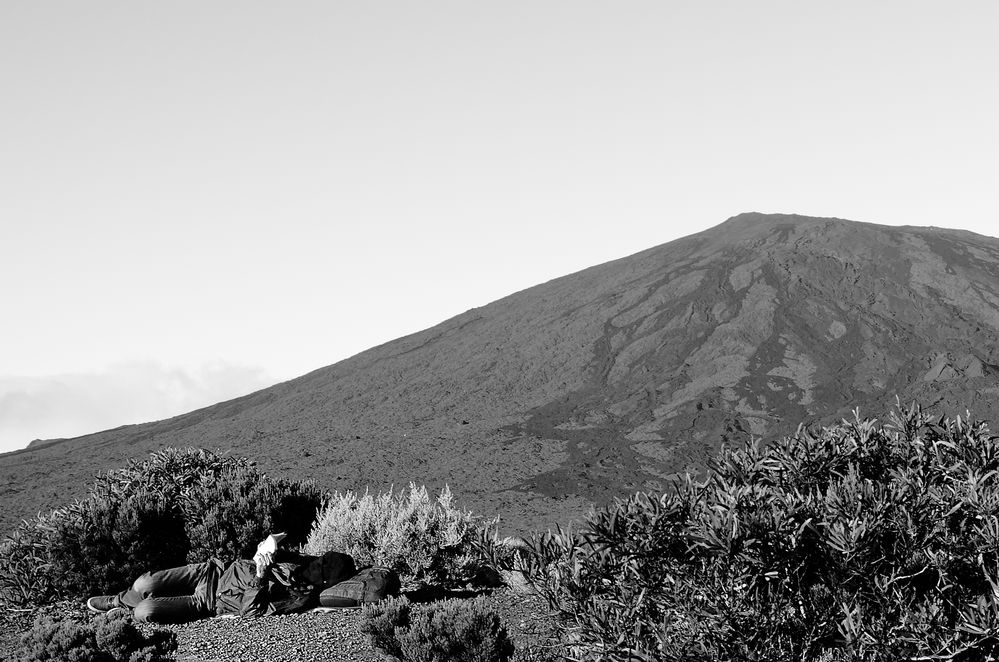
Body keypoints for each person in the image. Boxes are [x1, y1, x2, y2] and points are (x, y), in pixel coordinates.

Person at [85, 538, 355, 624]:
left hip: (211, 602)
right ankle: (117, 599)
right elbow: (260, 551)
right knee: (145, 583)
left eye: (322, 567)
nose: (316, 564)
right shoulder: (299, 562)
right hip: (213, 571)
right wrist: (269, 546)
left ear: (323, 580)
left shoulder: (299, 595)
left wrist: (261, 578)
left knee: (147, 611)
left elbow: (253, 611)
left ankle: (127, 609)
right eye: (321, 560)